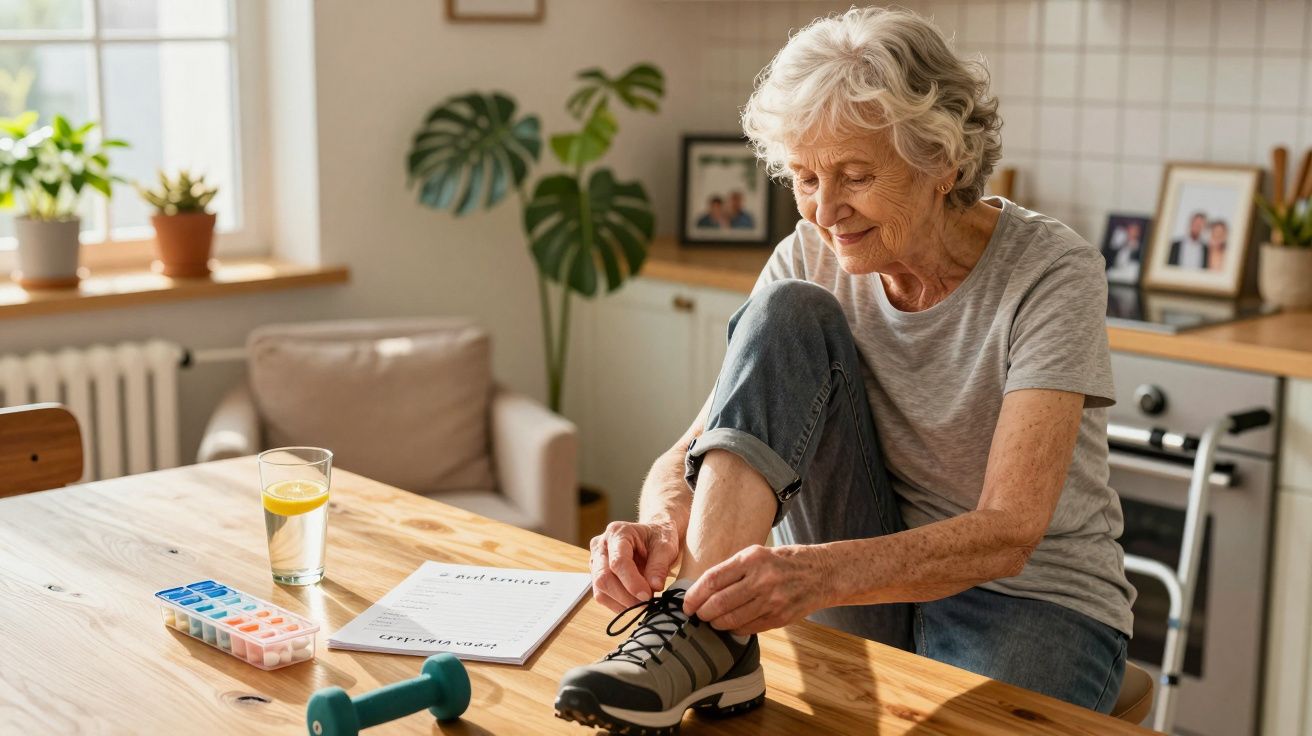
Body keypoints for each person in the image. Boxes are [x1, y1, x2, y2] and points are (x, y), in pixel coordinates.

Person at [555, 8, 1133, 733]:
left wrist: (814, 573)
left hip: (1031, 598)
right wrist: (659, 525)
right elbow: (697, 448)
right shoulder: (808, 255)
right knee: (784, 311)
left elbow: (1010, 532)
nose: (826, 211)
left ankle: (708, 631)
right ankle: (704, 634)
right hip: (861, 578)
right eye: (803, 178)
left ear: (941, 162)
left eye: (855, 176)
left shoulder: (1051, 271)